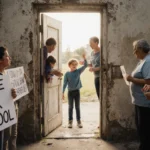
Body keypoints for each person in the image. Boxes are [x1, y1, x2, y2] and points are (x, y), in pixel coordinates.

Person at [125, 39, 150, 150]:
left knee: (144, 128)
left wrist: (132, 79)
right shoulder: (143, 61)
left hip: (145, 102)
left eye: (135, 50)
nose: (133, 52)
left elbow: (148, 82)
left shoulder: (148, 61)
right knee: (141, 127)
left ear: (140, 49)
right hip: (139, 101)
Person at [62, 54, 87, 128]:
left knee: (77, 107)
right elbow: (64, 83)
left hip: (77, 92)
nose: (75, 66)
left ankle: (79, 121)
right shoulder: (67, 74)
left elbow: (85, 65)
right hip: (70, 92)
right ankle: (70, 122)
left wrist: (84, 58)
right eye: (73, 64)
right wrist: (62, 92)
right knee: (70, 107)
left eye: (76, 64)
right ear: (69, 65)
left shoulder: (78, 71)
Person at [0, 46, 17, 150]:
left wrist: (14, 94)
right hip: (3, 113)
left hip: (10, 110)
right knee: (4, 138)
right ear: (0, 60)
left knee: (10, 135)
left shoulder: (7, 74)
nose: (9, 57)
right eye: (7, 55)